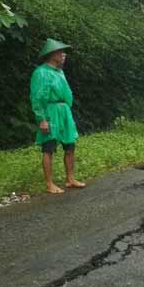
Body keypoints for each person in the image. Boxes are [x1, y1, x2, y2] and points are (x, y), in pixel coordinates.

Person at [30, 38, 86, 194]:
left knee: (70, 145)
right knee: (48, 147)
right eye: (60, 52)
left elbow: (66, 93)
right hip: (50, 111)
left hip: (63, 111)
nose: (64, 55)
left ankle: (70, 178)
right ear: (52, 54)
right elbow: (37, 97)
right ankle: (49, 183)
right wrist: (41, 119)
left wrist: (66, 108)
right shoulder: (41, 73)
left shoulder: (59, 72)